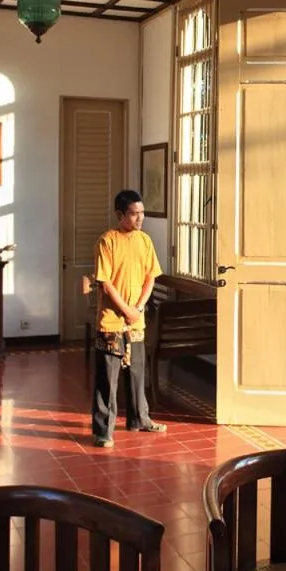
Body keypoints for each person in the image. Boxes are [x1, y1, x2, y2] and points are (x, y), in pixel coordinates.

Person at [91, 189, 167, 447]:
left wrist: (139, 308)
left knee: (137, 373)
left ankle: (139, 419)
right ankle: (104, 430)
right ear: (120, 214)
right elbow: (106, 284)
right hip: (111, 320)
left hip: (136, 319)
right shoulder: (107, 241)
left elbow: (151, 277)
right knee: (107, 379)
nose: (140, 218)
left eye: (142, 212)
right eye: (134, 214)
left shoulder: (145, 240)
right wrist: (127, 310)